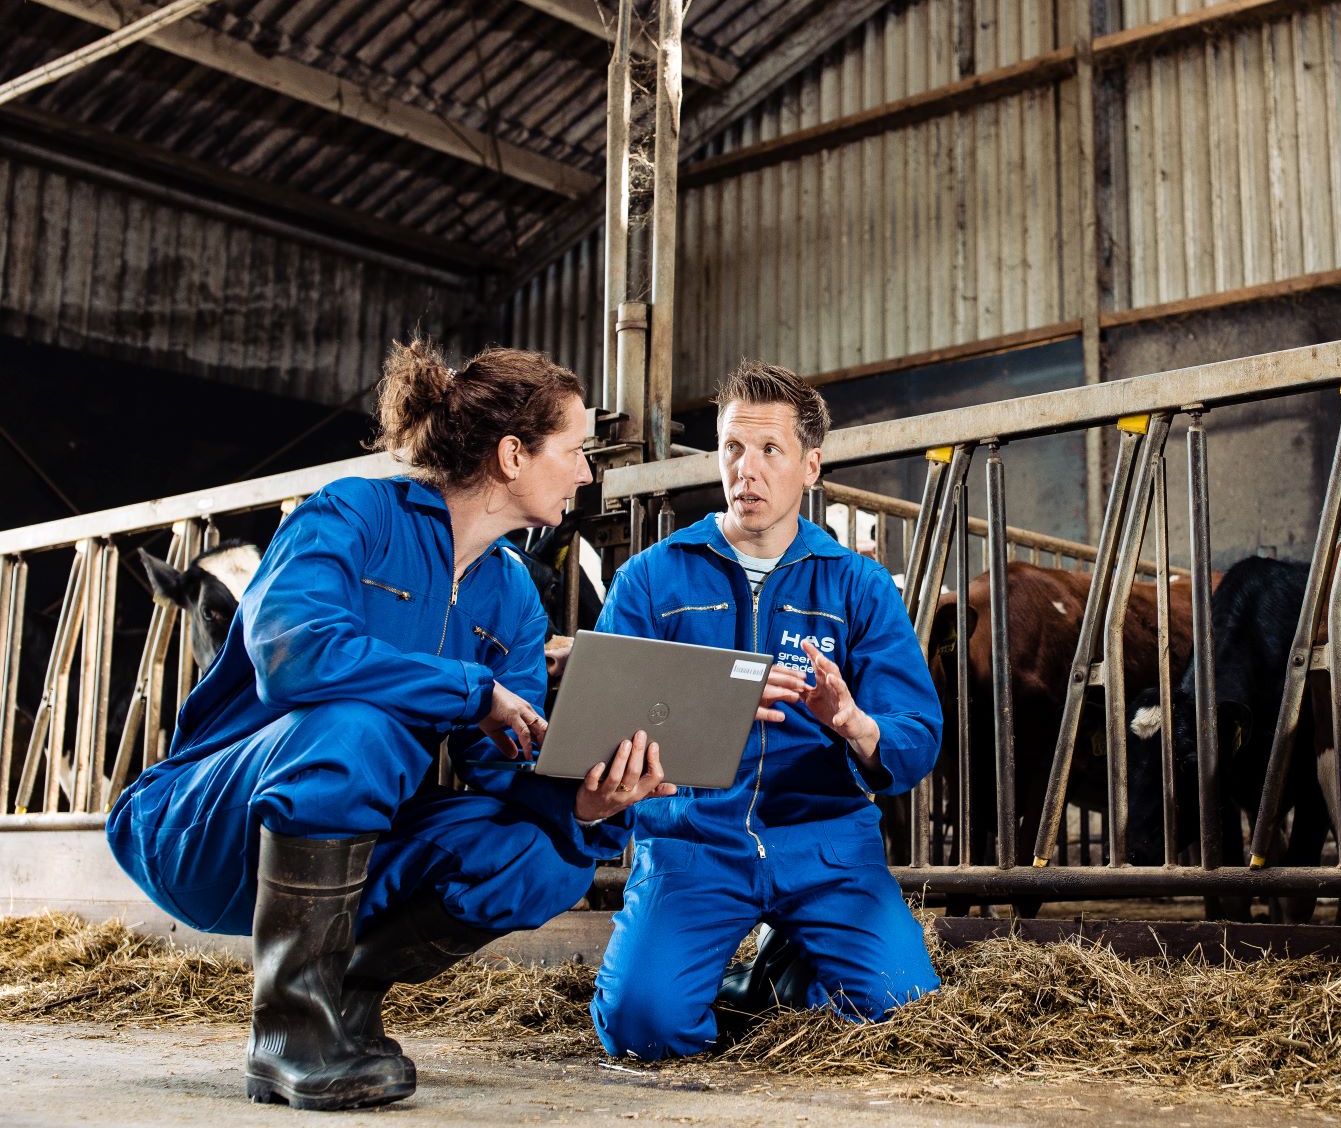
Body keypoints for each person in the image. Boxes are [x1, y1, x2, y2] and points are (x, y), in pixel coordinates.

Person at [107, 341, 674, 1110]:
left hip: (346, 849)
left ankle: (345, 1001)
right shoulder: (355, 513)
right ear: (513, 455)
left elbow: (500, 763)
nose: (585, 471)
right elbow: (293, 654)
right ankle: (288, 1034)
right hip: (202, 828)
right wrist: (471, 691)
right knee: (359, 726)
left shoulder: (512, 598)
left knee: (542, 857)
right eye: (574, 451)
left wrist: (585, 804)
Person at [590, 360, 942, 1059]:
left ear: (811, 466)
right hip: (695, 839)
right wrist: (710, 703)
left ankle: (789, 961)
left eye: (769, 451)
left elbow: (917, 735)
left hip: (827, 843)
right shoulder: (654, 576)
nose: (745, 469)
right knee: (642, 1029)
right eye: (732, 448)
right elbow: (603, 719)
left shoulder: (857, 584)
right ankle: (745, 966)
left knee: (905, 1014)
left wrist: (852, 721)